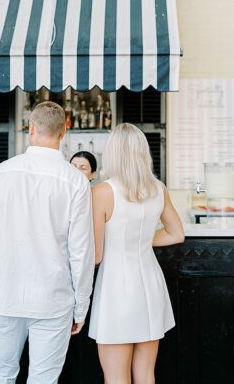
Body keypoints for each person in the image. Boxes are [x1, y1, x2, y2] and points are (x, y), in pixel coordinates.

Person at [0, 101, 94, 383]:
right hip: (54, 299)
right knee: (43, 380)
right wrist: (81, 307)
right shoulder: (75, 181)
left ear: (31, 128)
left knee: (1, 376)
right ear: (65, 132)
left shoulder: (1, 173)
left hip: (7, 293)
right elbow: (81, 252)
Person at [88, 123, 184, 383]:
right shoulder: (158, 188)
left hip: (115, 291)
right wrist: (139, 239)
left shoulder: (101, 192)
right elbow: (176, 233)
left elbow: (95, 256)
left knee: (116, 377)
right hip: (150, 287)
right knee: (145, 374)